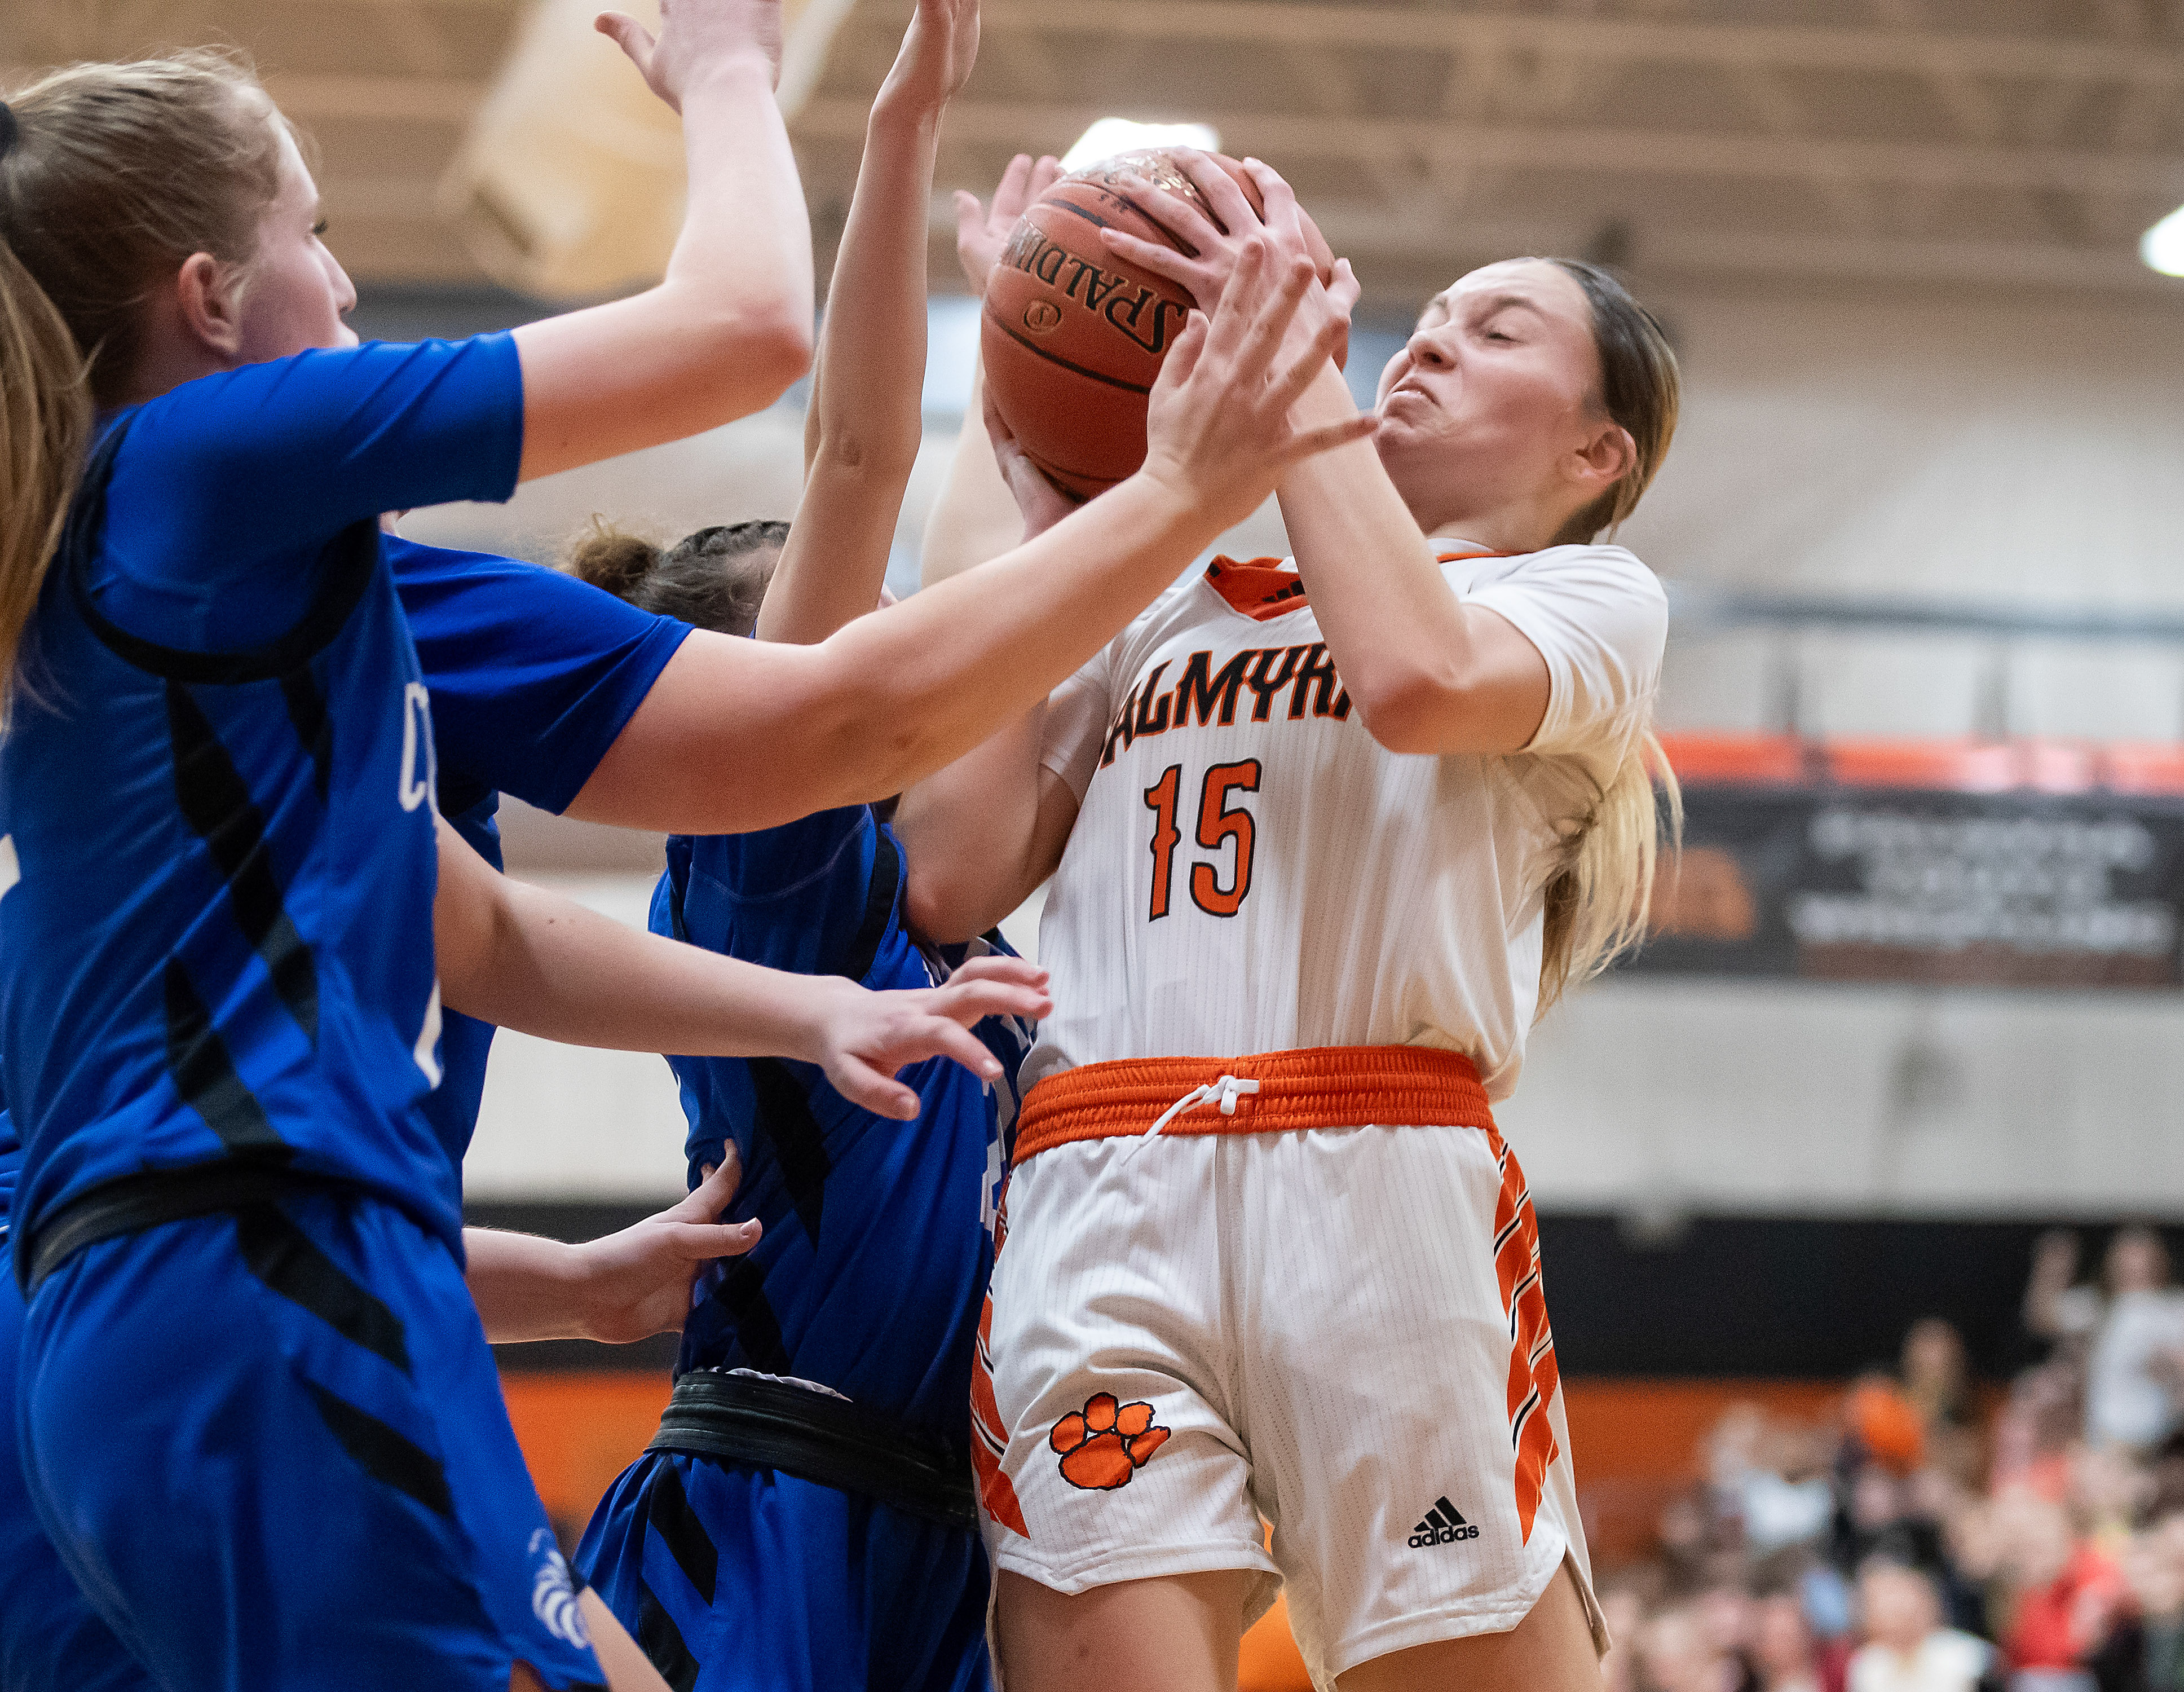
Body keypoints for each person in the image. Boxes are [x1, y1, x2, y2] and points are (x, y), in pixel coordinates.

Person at [0, 23, 1357, 1692]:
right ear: (209, 298)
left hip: (185, 1299)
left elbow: (484, 928)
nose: (346, 288)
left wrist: (797, 1023)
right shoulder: (202, 470)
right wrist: (729, 74)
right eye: (315, 230)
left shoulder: (311, 603)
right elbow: (755, 365)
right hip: (287, 1279)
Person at [894, 149, 1680, 1691]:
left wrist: (1298, 377)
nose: (1435, 334)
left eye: (1499, 327)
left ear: (1596, 452)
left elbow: (1415, 684)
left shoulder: (1586, 603)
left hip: (1376, 1192)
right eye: (1432, 313)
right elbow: (952, 869)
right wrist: (1037, 457)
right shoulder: (1169, 602)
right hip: (1102, 1184)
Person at [572, 6, 1040, 1685]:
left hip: (939, 1527)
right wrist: (904, 132)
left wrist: (1022, 343)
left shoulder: (918, 913)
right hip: (774, 1501)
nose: (895, 649)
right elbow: (853, 455)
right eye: (853, 625)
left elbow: (994, 617)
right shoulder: (760, 845)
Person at [1845, 1561, 1991, 1692]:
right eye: (1880, 1599)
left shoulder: (1965, 1654)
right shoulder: (1868, 1667)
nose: (1893, 1607)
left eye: (1898, 1594)